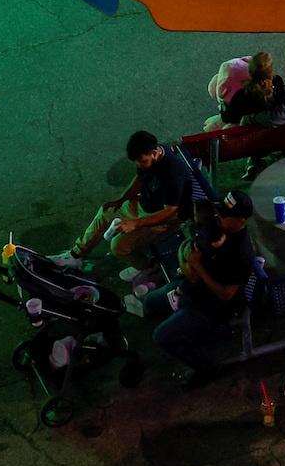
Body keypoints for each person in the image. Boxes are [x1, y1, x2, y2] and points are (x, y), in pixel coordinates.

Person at [146, 191, 257, 382]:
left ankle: (208, 367)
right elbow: (193, 242)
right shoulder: (217, 226)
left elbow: (226, 295)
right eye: (219, 212)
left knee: (161, 337)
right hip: (191, 288)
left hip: (212, 308)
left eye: (225, 215)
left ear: (241, 220)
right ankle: (193, 328)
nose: (219, 217)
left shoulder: (240, 253)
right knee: (149, 304)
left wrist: (197, 266)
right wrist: (190, 262)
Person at [70, 130, 208, 263]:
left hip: (164, 219)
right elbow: (140, 179)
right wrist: (121, 199)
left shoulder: (172, 172)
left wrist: (135, 224)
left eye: (142, 161)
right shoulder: (147, 158)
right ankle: (75, 255)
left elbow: (170, 211)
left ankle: (147, 267)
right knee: (105, 212)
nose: (138, 165)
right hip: (143, 204)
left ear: (154, 153)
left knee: (117, 247)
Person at [220, 50, 281, 126]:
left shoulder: (242, 94)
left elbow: (227, 118)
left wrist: (223, 104)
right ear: (271, 70)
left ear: (249, 71)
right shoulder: (278, 82)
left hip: (250, 134)